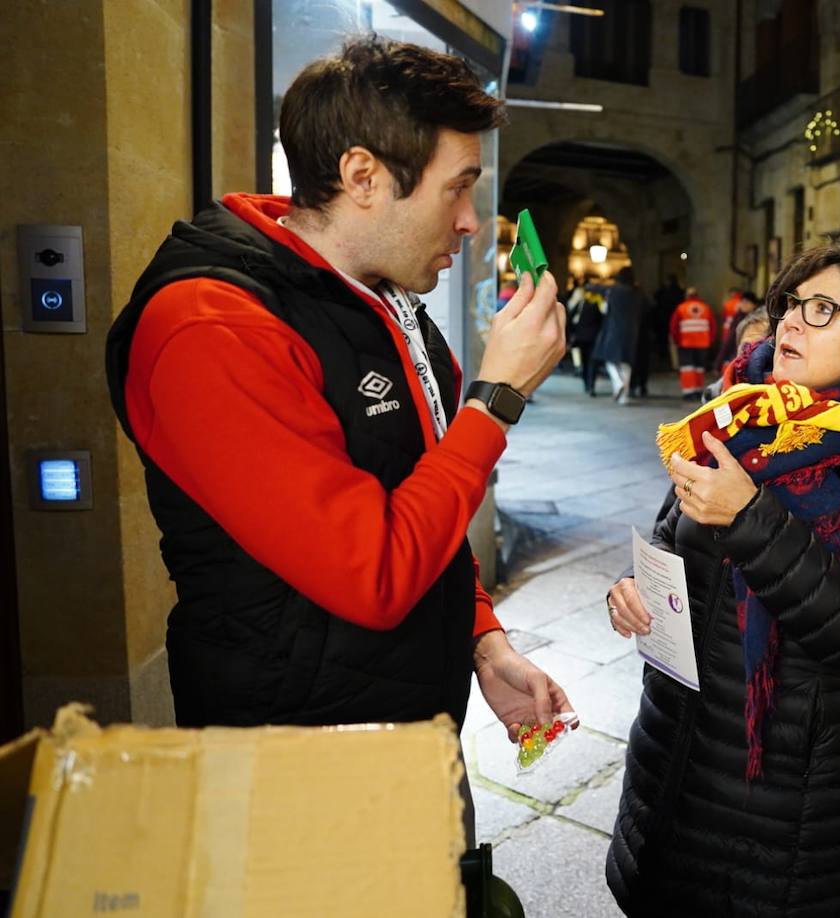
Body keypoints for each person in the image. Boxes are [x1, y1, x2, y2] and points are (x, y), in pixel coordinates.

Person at [105, 37, 575, 810]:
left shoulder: (381, 297)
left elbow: (419, 493)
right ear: (362, 177)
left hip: (408, 725)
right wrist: (494, 402)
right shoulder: (210, 326)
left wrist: (481, 638)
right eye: (457, 189)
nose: (470, 222)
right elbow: (373, 574)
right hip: (293, 763)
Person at [604, 236, 840, 917]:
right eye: (792, 303)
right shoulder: (740, 419)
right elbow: (671, 533)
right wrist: (634, 584)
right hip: (678, 753)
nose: (791, 321)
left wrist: (750, 518)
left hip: (795, 795)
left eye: (822, 310)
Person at [594, 266, 647, 405]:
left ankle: (618, 383)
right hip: (632, 331)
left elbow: (604, 307)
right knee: (626, 364)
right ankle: (624, 397)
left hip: (614, 330)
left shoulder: (613, 291)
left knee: (610, 360)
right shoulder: (637, 292)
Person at [668, 286, 716, 398]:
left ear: (686, 296)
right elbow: (712, 325)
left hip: (686, 343)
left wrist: (676, 341)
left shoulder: (681, 308)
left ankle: (689, 391)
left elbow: (674, 327)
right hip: (703, 342)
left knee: (687, 368)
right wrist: (710, 340)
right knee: (699, 368)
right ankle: (698, 390)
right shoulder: (705, 308)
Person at [567, 279, 605, 396]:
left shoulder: (582, 302)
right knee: (592, 362)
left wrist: (572, 331)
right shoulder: (599, 302)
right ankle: (590, 385)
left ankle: (586, 384)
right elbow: (603, 320)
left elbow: (571, 316)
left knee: (584, 361)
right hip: (594, 338)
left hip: (582, 336)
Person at [714, 290, 759, 373]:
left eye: (747, 302)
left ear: (754, 305)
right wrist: (719, 362)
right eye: (742, 302)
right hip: (736, 356)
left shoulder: (757, 320)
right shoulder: (738, 318)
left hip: (749, 358)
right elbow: (729, 340)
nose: (744, 305)